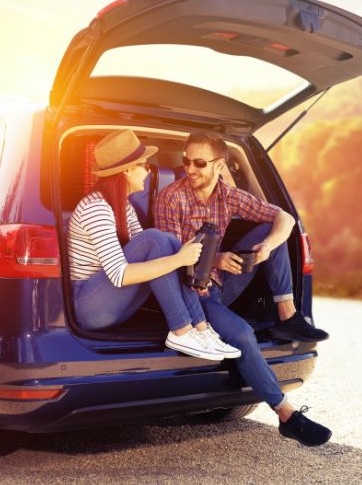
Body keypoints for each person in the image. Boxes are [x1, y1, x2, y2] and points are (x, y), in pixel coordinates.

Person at [154, 132, 331, 447]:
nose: (189, 169)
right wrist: (217, 258)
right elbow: (172, 259)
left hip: (223, 283)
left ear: (220, 164)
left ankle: (287, 315)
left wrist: (267, 247)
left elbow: (285, 218)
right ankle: (288, 415)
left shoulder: (228, 196)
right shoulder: (171, 197)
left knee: (269, 230)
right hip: (193, 292)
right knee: (243, 335)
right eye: (185, 161)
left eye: (199, 162)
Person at [68, 129, 241, 361]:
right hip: (89, 308)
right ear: (127, 170)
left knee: (166, 241)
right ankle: (181, 330)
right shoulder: (96, 208)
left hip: (112, 306)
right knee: (158, 239)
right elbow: (120, 275)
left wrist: (178, 255)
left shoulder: (123, 207)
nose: (148, 171)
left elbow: (153, 253)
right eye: (144, 165)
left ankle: (200, 328)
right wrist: (180, 259)